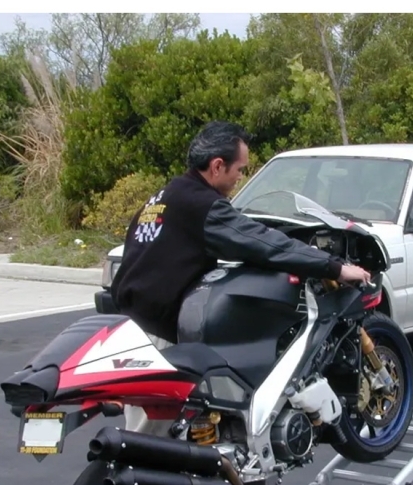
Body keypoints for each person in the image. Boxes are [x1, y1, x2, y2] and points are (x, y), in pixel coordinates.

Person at [111, 121, 372, 347]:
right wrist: (334, 267)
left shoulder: (166, 195)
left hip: (129, 323)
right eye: (240, 169)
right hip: (158, 335)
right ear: (217, 166)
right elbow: (263, 243)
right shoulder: (203, 205)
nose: (240, 177)